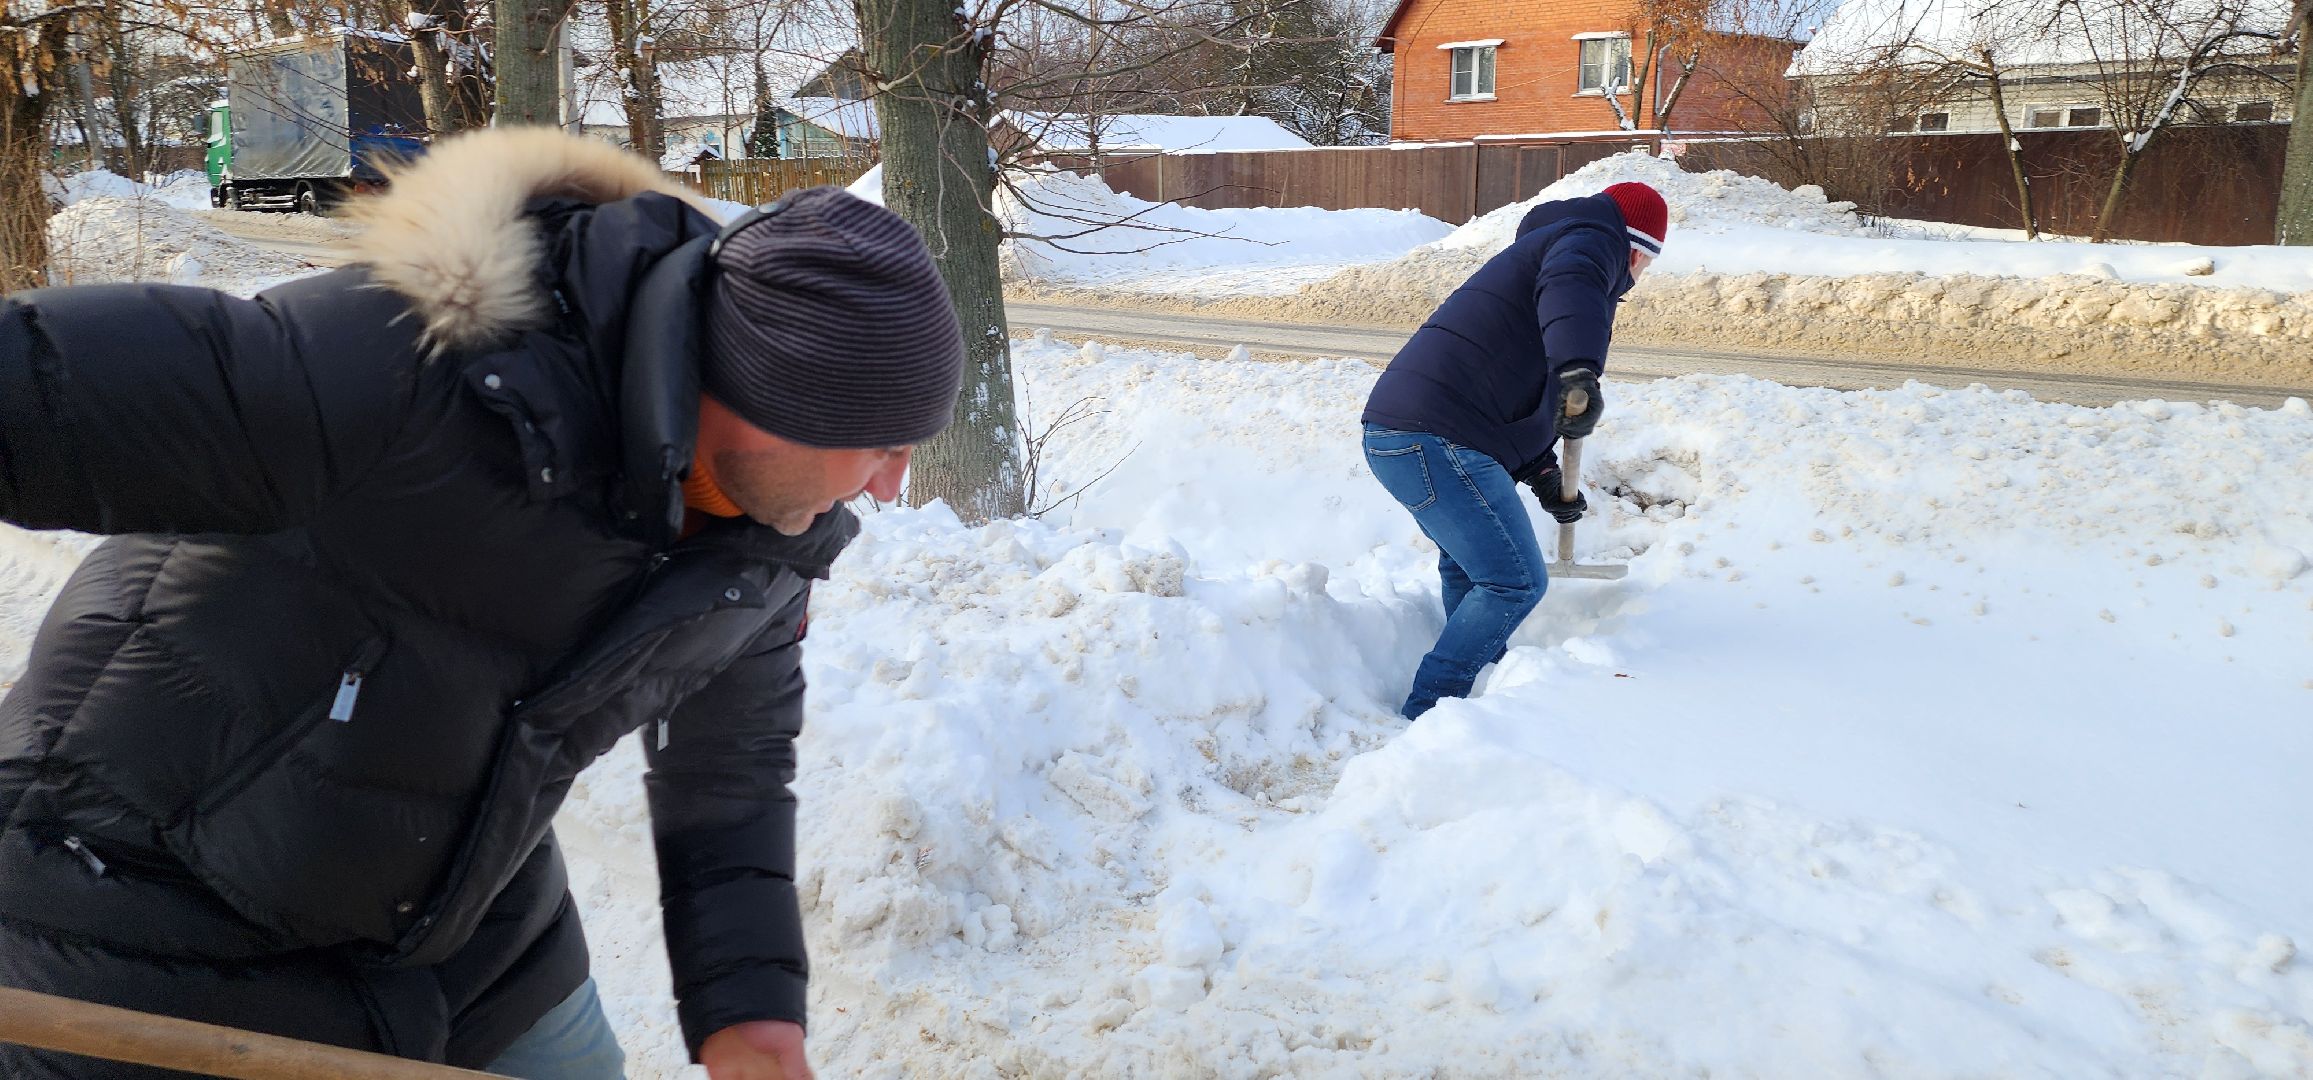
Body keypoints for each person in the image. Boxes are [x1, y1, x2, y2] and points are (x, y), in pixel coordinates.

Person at [0, 128, 965, 1078]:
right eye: (880, 443)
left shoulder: (765, 547)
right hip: (135, 906)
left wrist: (748, 1002)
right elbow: (44, 390)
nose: (890, 486)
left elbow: (730, 770)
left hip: (462, 920)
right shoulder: (415, 368)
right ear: (771, 399)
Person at [1359, 181, 1668, 720]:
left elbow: (1511, 397)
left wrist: (1543, 473)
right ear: (1639, 250)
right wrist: (1579, 368)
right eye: (1644, 265)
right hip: (1436, 436)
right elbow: (1572, 292)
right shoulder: (1590, 242)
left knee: (1469, 570)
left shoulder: (1549, 248)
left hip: (1401, 433)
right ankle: (1433, 709)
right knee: (1515, 581)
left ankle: (1489, 685)